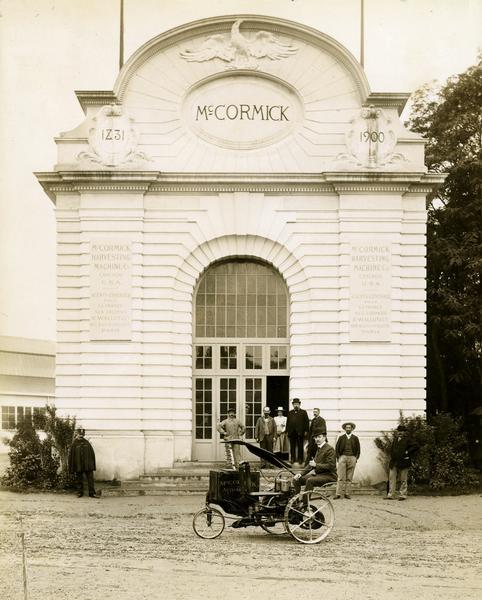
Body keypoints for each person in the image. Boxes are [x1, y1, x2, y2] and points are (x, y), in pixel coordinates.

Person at [293, 428, 337, 494]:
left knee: (310, 480)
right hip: (319, 475)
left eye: (319, 437)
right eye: (315, 437)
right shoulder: (319, 449)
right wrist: (300, 474)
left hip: (329, 476)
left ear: (324, 437)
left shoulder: (329, 449)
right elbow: (311, 465)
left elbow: (331, 466)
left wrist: (316, 465)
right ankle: (295, 501)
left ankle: (305, 503)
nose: (317, 439)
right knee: (296, 479)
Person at [385, 424, 417, 501]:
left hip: (404, 461)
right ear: (397, 432)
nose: (400, 433)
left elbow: (416, 446)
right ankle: (391, 495)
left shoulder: (408, 439)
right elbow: (392, 449)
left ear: (404, 432)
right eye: (399, 431)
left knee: (403, 479)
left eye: (402, 431)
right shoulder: (395, 439)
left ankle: (402, 495)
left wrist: (407, 452)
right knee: (392, 478)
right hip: (394, 462)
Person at [68, 428, 98, 498]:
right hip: (78, 465)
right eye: (79, 435)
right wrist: (73, 465)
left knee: (90, 478)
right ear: (77, 434)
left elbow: (91, 454)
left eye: (82, 435)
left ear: (83, 435)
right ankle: (80, 492)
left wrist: (91, 464)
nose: (80, 436)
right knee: (79, 479)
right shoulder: (74, 444)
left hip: (87, 465)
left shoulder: (86, 443)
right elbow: (72, 456)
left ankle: (92, 493)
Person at [334, 422, 360, 499]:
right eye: (347, 427)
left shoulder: (355, 438)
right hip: (343, 457)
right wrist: (338, 457)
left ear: (352, 429)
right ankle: (338, 494)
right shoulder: (341, 437)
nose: (348, 429)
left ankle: (347, 493)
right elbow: (337, 448)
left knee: (349, 478)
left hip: (352, 457)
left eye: (349, 427)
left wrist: (356, 458)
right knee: (340, 477)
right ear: (345, 429)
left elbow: (358, 449)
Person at [286, 398, 310, 465]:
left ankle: (300, 459)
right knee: (292, 447)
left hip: (300, 432)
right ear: (293, 405)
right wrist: (287, 431)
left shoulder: (303, 412)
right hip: (292, 432)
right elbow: (288, 422)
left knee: (300, 446)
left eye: (297, 404)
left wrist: (306, 431)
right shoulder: (290, 413)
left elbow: (307, 422)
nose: (296, 405)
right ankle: (293, 459)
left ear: (299, 404)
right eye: (294, 404)